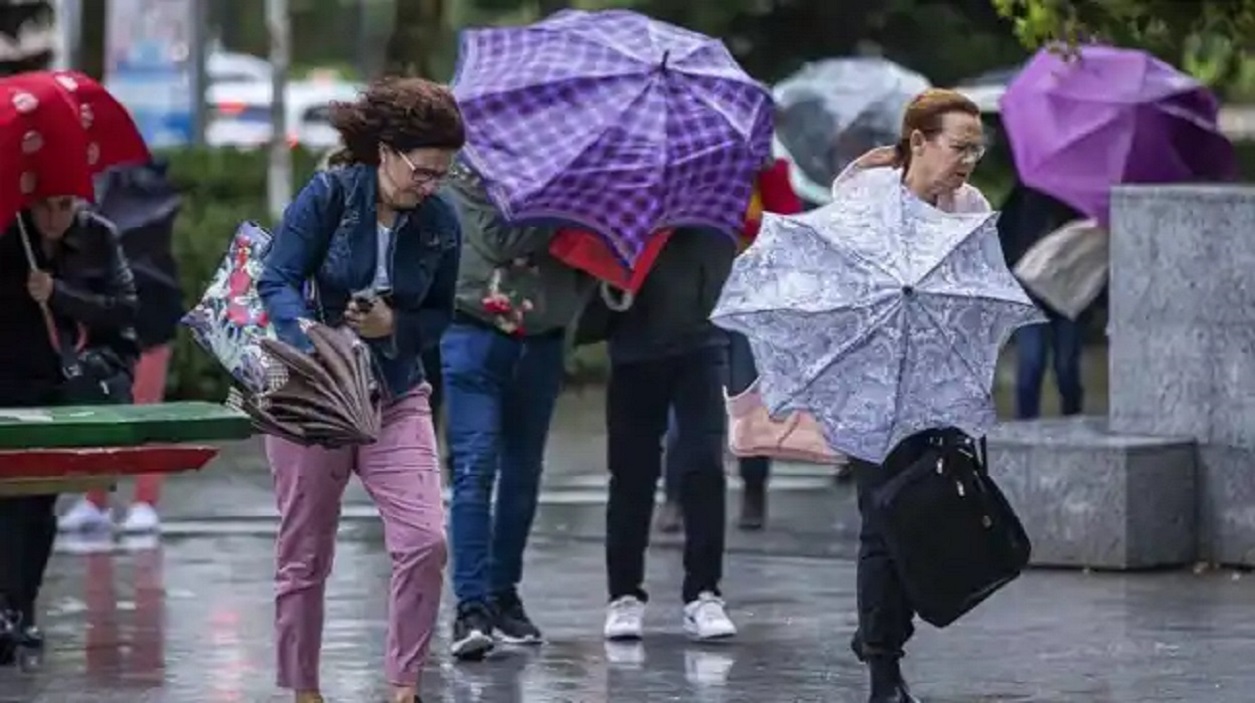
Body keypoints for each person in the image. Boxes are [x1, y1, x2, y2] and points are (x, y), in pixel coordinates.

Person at [257, 77, 464, 703]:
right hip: (313, 393)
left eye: (440, 176)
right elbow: (277, 279)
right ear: (386, 152)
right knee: (305, 555)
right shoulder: (329, 195)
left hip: (397, 392)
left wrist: (394, 326)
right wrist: (313, 336)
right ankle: (304, 690)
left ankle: (403, 685)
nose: (428, 186)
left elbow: (441, 315)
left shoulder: (439, 224)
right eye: (421, 172)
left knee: (426, 540)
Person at [838, 89, 990, 703]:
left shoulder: (970, 206)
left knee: (923, 519)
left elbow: (981, 296)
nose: (967, 163)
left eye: (977, 151)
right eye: (959, 148)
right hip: (870, 390)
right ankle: (883, 669)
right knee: (883, 522)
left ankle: (879, 627)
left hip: (939, 388)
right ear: (919, 141)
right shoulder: (864, 200)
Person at [439, 160, 594, 661]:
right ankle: (471, 605)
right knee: (474, 466)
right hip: (473, 330)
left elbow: (591, 255)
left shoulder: (576, 166)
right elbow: (497, 239)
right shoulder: (464, 168)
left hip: (543, 337)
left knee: (524, 472)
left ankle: (504, 594)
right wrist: (565, 201)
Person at [0, 196, 140, 663]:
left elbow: (123, 309)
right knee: (8, 501)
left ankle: (22, 606)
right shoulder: (9, 237)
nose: (55, 218)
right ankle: (7, 607)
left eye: (65, 207)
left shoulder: (97, 236)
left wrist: (58, 294)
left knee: (37, 502)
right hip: (9, 383)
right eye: (45, 208)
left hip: (64, 386)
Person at [601, 226, 739, 643]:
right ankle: (624, 595)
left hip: (701, 340)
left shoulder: (711, 189)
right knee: (631, 474)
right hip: (634, 344)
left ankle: (704, 592)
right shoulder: (623, 197)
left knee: (704, 464)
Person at [656, 158, 807, 534]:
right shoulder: (688, 170)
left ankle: (754, 492)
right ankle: (676, 496)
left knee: (751, 400)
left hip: (752, 302)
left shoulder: (769, 172)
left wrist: (738, 221)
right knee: (686, 407)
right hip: (698, 301)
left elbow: (789, 227)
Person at [996, 183, 1087, 419]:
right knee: (1031, 363)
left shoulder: (1080, 202)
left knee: (1066, 370)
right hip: (1031, 291)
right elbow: (1004, 236)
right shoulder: (1025, 195)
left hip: (1068, 294)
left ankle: (1073, 421)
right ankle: (1026, 427)